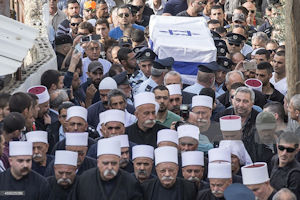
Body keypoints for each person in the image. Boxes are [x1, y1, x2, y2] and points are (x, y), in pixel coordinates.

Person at [70, 138, 143, 199]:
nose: (110, 167)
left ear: (118, 162)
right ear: (98, 162)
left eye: (114, 163)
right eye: (105, 163)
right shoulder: (84, 180)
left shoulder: (130, 182)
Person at [270, 132, 300, 199]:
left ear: (296, 151)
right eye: (281, 148)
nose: (284, 153)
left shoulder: (296, 174)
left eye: (289, 150)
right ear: (277, 146)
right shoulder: (274, 160)